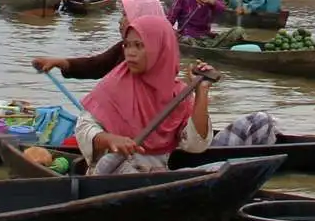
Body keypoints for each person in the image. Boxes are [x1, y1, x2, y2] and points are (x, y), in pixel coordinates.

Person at [75, 11, 213, 174]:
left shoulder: (179, 94)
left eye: (139, 46)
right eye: (127, 45)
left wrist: (201, 91)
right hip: (109, 175)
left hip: (156, 174)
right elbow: (84, 128)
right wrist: (110, 140)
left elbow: (195, 145)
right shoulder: (114, 83)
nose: (130, 52)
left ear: (161, 48)